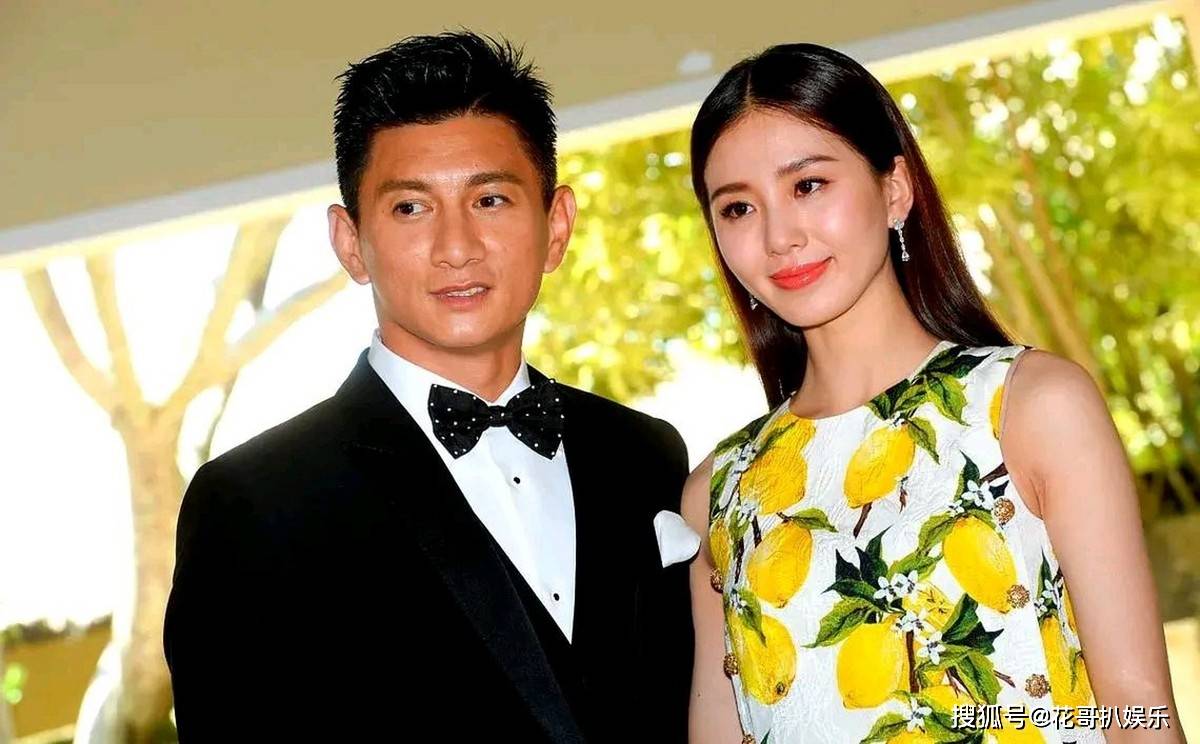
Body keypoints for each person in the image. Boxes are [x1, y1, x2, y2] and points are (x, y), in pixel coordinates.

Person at [164, 31, 693, 742]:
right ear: (350, 243)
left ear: (556, 226)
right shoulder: (252, 503)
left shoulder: (645, 453)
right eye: (410, 208)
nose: (456, 248)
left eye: (491, 199)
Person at [680, 43, 1186, 743]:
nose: (779, 236)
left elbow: (1137, 707)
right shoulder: (718, 492)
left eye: (809, 185)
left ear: (895, 189)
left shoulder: (1029, 407)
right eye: (738, 207)